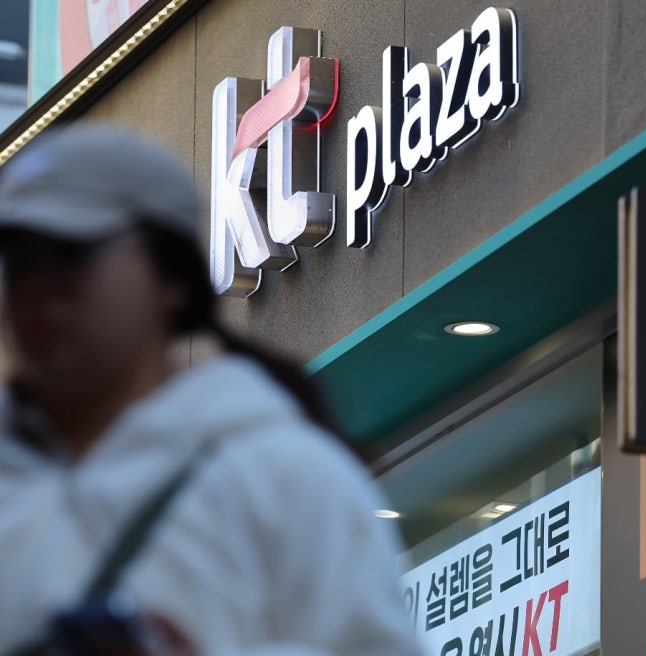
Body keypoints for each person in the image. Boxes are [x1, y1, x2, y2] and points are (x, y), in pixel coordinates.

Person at [0, 123, 426, 656]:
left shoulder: (287, 478)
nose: (36, 285)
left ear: (171, 278)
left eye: (70, 253)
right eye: (16, 261)